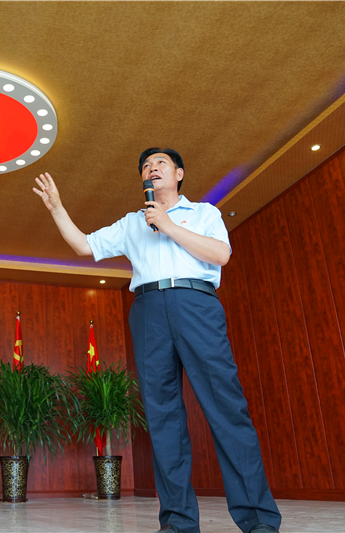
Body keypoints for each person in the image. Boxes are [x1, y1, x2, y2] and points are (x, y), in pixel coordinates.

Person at [33, 148, 281, 533]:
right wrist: (57, 208)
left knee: (226, 408)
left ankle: (258, 519)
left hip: (196, 303)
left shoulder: (204, 213)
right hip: (148, 310)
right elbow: (84, 245)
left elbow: (220, 254)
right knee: (163, 417)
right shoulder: (132, 222)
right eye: (146, 166)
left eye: (160, 163)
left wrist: (168, 225)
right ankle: (178, 522)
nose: (152, 168)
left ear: (179, 173)